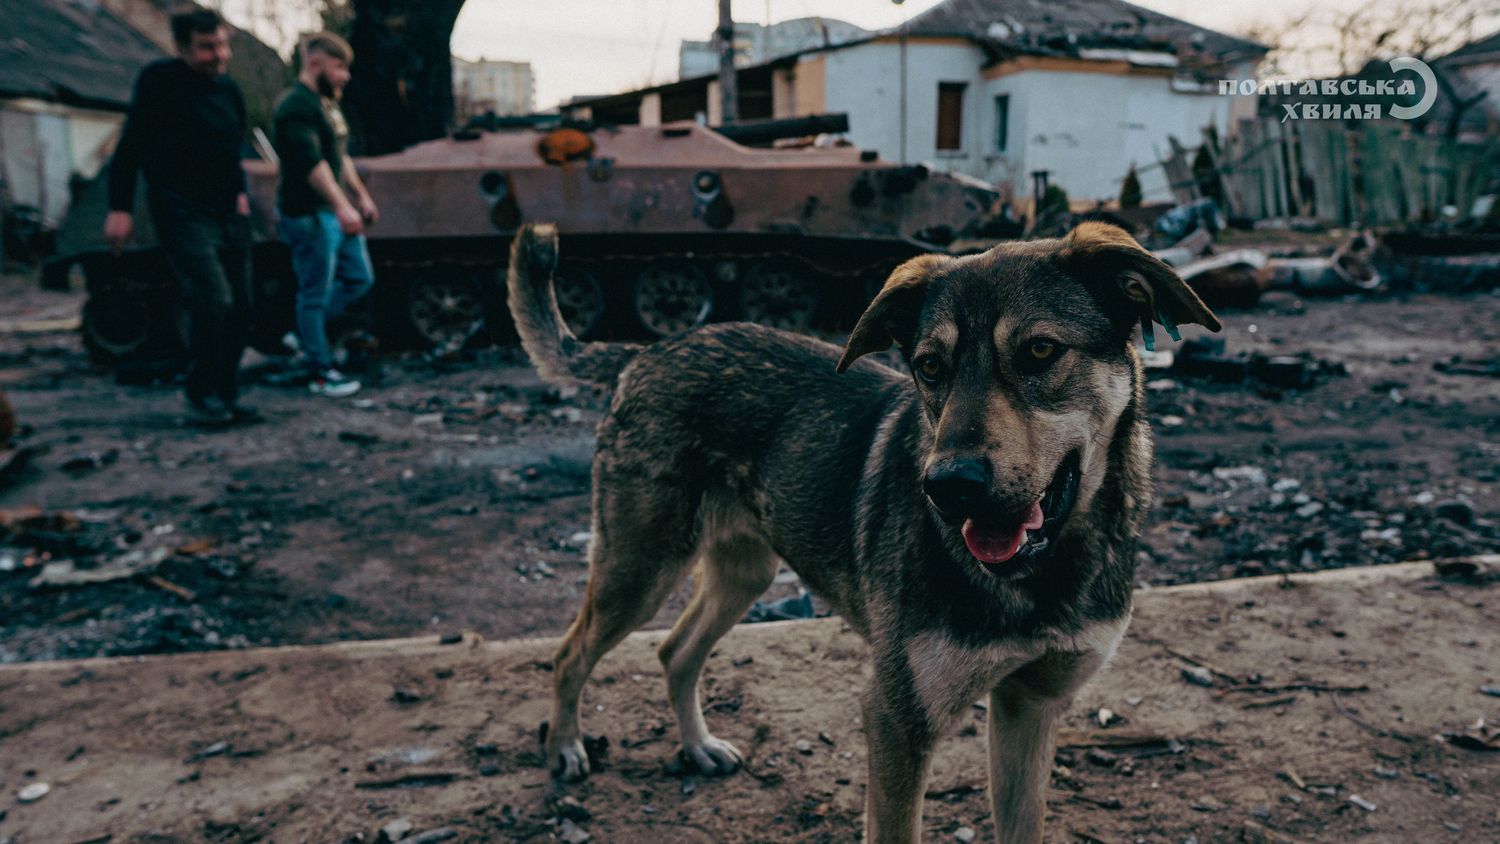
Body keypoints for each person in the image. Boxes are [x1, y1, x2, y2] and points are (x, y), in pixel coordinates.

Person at [105, 9, 258, 427]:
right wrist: (119, 208)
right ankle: (200, 392)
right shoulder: (160, 82)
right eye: (207, 47)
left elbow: (232, 150)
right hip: (181, 210)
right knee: (212, 299)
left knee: (242, 306)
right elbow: (130, 145)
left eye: (222, 44)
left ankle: (226, 392)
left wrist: (241, 196)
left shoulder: (228, 91)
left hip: (227, 211)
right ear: (182, 47)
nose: (219, 54)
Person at [272, 32, 378, 398]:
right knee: (313, 294)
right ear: (315, 64)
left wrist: (360, 197)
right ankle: (320, 371)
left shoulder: (327, 104)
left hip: (333, 213)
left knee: (358, 278)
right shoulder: (296, 107)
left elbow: (339, 155)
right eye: (339, 67)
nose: (345, 76)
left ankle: (303, 334)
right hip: (310, 215)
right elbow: (311, 164)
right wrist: (341, 205)